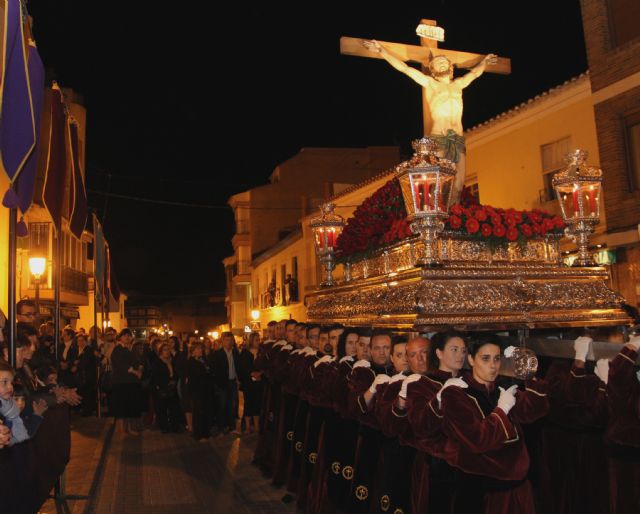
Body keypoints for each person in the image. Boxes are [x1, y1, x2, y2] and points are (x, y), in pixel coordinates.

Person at [362, 39, 496, 202]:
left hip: (457, 139)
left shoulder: (458, 84)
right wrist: (382, 51)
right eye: (437, 63)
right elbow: (405, 68)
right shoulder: (431, 84)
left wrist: (485, 62)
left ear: (450, 67)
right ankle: (437, 217)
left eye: (443, 62)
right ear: (432, 70)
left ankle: (453, 217)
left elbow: (474, 73)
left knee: (459, 184)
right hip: (439, 137)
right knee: (440, 182)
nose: (440, 64)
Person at [439, 334, 548, 514]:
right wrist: (502, 409)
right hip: (483, 493)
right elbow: (477, 440)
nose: (493, 365)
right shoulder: (455, 394)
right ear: (471, 360)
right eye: (485, 358)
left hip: (517, 489)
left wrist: (528, 371)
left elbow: (534, 412)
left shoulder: (501, 388)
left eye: (497, 359)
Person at [110, 329, 143, 436]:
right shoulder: (118, 349)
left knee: (128, 406)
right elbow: (121, 365)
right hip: (121, 382)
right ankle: (121, 430)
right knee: (121, 407)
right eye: (125, 336)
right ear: (120, 337)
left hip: (130, 382)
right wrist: (135, 371)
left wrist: (140, 369)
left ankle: (128, 429)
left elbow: (137, 362)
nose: (127, 337)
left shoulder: (130, 349)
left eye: (129, 335)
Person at [211, 332, 241, 435]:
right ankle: (221, 428)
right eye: (227, 340)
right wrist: (218, 384)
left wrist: (238, 380)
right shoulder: (218, 354)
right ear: (222, 341)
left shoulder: (235, 352)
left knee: (232, 406)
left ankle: (232, 427)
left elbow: (238, 367)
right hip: (223, 383)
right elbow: (215, 370)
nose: (229, 342)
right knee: (222, 406)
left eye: (230, 340)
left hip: (232, 382)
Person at [152, 343, 181, 433]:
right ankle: (164, 427)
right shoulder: (158, 362)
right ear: (161, 352)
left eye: (168, 349)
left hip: (172, 387)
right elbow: (156, 376)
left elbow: (176, 372)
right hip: (163, 388)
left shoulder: (172, 361)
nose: (167, 352)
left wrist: (173, 380)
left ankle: (174, 426)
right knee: (162, 409)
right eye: (165, 350)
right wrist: (164, 384)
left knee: (174, 408)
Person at [239, 332, 264, 435]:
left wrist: (260, 373)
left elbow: (264, 365)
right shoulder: (245, 353)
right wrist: (251, 373)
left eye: (259, 339)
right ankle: (248, 427)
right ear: (251, 341)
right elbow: (242, 367)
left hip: (258, 383)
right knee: (249, 404)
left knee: (257, 404)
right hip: (248, 383)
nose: (258, 342)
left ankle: (257, 426)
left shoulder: (261, 353)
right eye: (256, 340)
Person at [187, 342, 211, 441]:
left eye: (201, 349)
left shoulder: (202, 361)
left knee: (204, 411)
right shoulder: (191, 362)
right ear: (193, 352)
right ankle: (199, 434)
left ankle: (205, 433)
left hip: (204, 390)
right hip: (197, 391)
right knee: (198, 413)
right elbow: (194, 378)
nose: (200, 350)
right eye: (198, 349)